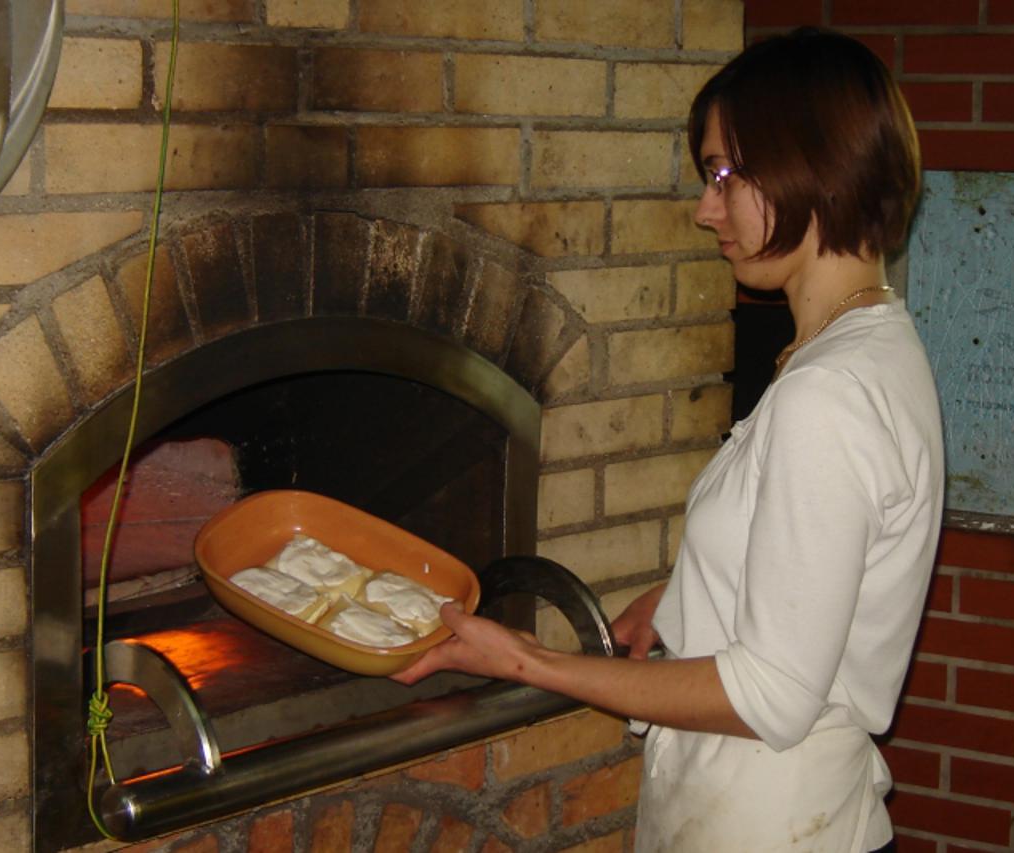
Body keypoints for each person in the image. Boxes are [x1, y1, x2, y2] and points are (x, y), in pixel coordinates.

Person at [394, 26, 944, 853]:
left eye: (723, 173)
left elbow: (772, 694)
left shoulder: (827, 394)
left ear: (807, 162)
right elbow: (817, 560)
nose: (704, 208)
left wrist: (526, 661)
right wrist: (687, 595)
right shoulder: (868, 343)